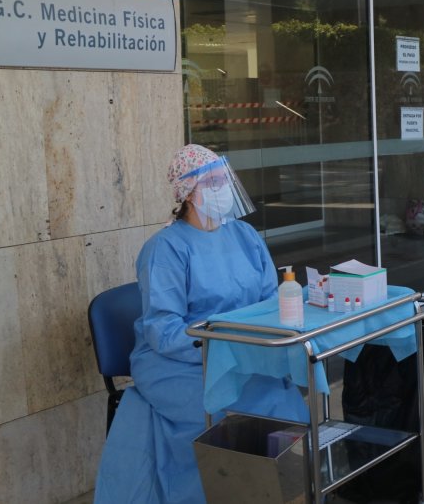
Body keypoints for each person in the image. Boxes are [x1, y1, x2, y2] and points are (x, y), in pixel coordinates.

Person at [95, 144, 308, 504]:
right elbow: (163, 330)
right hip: (180, 360)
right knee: (229, 407)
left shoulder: (245, 236)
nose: (222, 188)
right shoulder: (165, 249)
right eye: (211, 182)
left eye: (224, 179)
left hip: (243, 350)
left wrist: (264, 335)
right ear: (187, 193)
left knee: (280, 396)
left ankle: (275, 491)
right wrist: (222, 346)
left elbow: (270, 300)